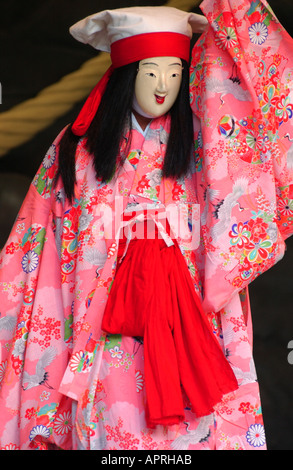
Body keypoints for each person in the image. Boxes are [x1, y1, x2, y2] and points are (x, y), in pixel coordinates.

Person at [0, 1, 292, 451]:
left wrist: (231, 11)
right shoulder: (77, 151)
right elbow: (42, 253)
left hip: (191, 335)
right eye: (151, 71)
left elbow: (253, 120)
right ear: (124, 75)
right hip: (106, 337)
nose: (164, 86)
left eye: (175, 72)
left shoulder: (203, 145)